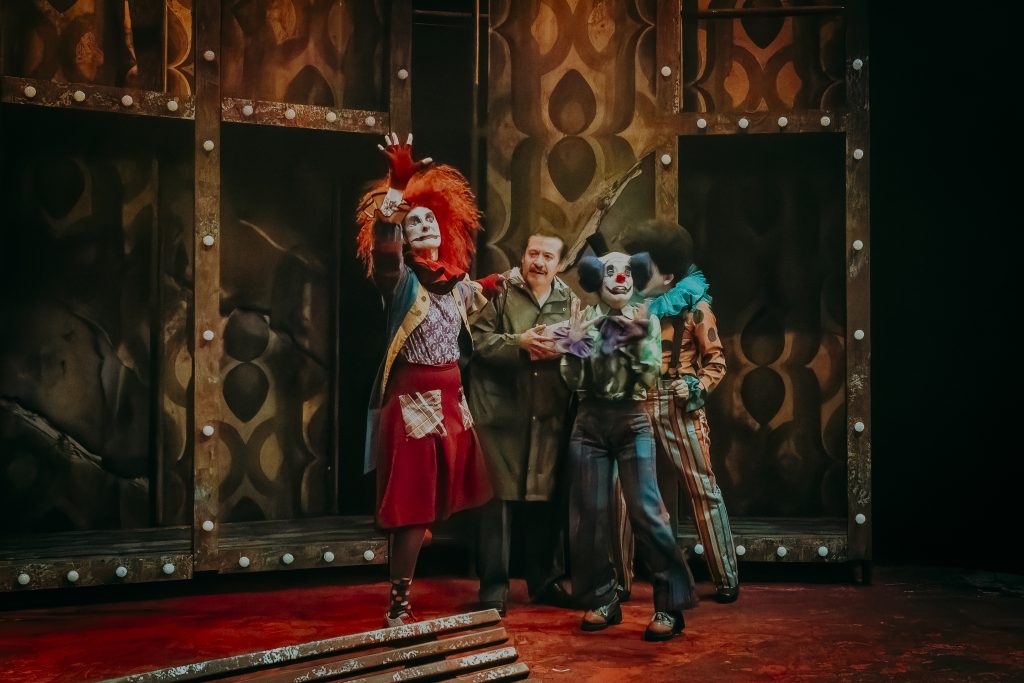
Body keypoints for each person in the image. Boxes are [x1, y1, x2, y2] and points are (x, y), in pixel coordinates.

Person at [356, 133, 504, 627]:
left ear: (445, 229)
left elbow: (475, 293)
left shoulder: (455, 282)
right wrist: (396, 190)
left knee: (469, 494)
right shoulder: (401, 281)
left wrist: (501, 283)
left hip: (452, 399)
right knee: (412, 507)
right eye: (413, 221)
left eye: (429, 219)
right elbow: (384, 247)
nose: (422, 224)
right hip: (413, 400)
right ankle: (398, 604)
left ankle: (482, 579)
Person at [558, 250, 695, 642]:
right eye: (610, 271)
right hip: (589, 422)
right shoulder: (584, 319)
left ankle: (670, 607)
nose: (619, 278)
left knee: (647, 513)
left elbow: (650, 376)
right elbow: (571, 380)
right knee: (588, 516)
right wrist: (573, 345)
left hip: (632, 420)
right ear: (595, 279)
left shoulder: (644, 319)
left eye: (625, 272)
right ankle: (603, 598)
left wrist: (634, 341)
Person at [621, 219, 739, 603]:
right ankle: (619, 583)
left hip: (678, 404)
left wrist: (696, 385)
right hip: (637, 403)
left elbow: (716, 363)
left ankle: (726, 577)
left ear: (668, 275)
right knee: (624, 493)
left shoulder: (695, 309)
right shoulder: (630, 308)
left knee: (703, 489)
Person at [468, 231, 576, 615]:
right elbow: (476, 341)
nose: (539, 262)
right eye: (533, 253)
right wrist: (520, 343)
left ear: (560, 264)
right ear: (523, 255)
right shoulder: (500, 292)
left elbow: (581, 351)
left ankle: (545, 582)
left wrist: (570, 348)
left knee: (544, 501)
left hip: (547, 415)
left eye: (548, 256)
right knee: (497, 505)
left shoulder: (569, 302)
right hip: (501, 414)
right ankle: (493, 588)